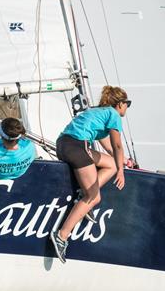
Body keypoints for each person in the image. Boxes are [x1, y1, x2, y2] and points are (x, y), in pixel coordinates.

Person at [50, 86, 130, 263]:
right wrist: (122, 173)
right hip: (77, 146)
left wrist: (121, 163)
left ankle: (82, 195)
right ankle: (61, 236)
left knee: (111, 164)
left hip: (64, 144)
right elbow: (117, 146)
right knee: (94, 197)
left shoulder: (97, 112)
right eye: (127, 104)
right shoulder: (114, 115)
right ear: (120, 104)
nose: (127, 108)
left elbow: (108, 148)